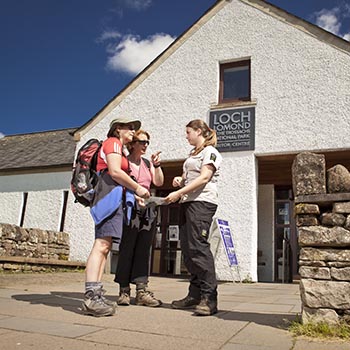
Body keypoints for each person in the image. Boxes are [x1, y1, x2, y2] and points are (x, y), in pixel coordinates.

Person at [82, 117, 150, 317]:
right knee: (101, 245)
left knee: (105, 247)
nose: (133, 131)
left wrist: (134, 195)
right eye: (129, 128)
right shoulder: (113, 143)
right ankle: (91, 297)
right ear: (117, 129)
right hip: (107, 197)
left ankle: (95, 294)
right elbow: (114, 171)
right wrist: (137, 187)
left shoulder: (119, 146)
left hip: (114, 197)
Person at [165, 119, 222, 316]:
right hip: (188, 203)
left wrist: (179, 193)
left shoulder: (211, 152)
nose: (186, 135)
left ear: (199, 131)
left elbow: (204, 178)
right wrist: (180, 180)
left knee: (198, 247)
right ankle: (195, 295)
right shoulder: (193, 154)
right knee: (189, 250)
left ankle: (209, 298)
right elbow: (190, 177)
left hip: (202, 203)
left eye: (188, 132)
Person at [114, 129, 164, 307]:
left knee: (143, 250)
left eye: (147, 142)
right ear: (133, 143)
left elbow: (158, 182)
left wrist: (156, 166)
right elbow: (118, 185)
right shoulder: (124, 162)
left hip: (147, 209)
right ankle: (124, 291)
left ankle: (142, 291)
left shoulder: (146, 162)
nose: (145, 145)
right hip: (129, 207)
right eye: (142, 142)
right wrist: (134, 196)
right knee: (127, 248)